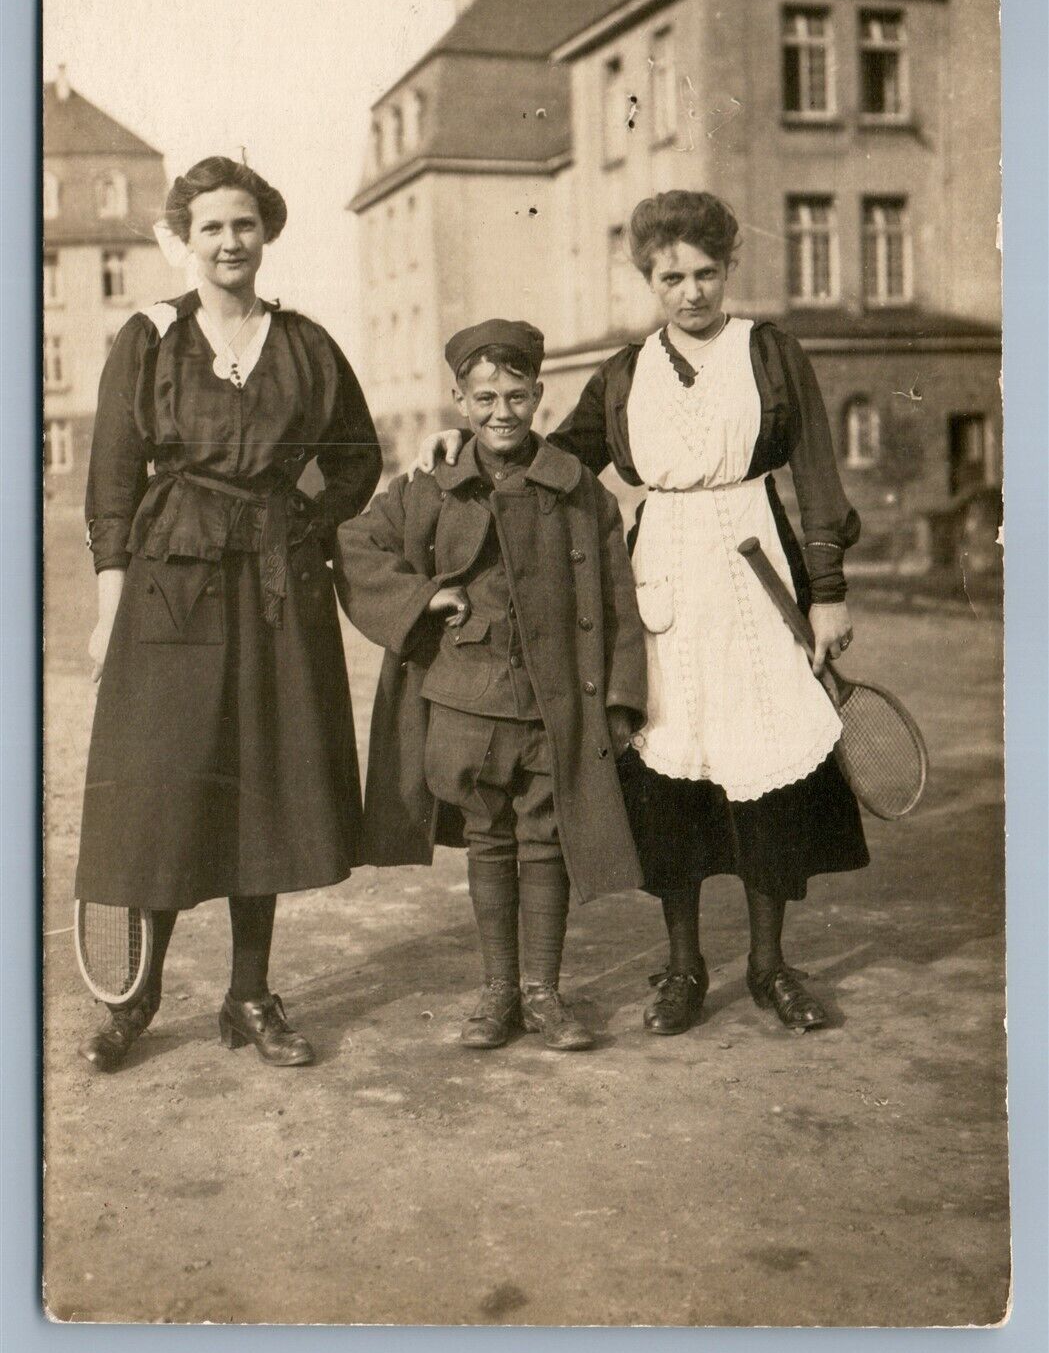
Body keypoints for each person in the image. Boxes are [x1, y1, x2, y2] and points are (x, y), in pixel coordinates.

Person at [416, 192, 869, 1037]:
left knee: (766, 766)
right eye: (671, 278)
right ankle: (683, 966)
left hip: (756, 571)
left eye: (703, 273)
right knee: (669, 776)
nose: (690, 292)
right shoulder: (624, 372)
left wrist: (829, 589)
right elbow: (556, 459)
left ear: (727, 269)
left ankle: (769, 965)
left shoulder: (768, 352)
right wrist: (462, 449)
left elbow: (815, 477)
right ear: (648, 280)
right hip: (660, 582)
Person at [76, 156, 382, 1072]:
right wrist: (107, 606)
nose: (229, 242)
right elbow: (112, 480)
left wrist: (305, 518)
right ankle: (140, 993)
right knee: (168, 784)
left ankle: (249, 994)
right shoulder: (150, 338)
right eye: (210, 227)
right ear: (185, 237)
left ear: (267, 232)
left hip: (277, 585)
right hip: (172, 583)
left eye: (244, 224)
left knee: (267, 780)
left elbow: (357, 458)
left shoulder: (306, 344)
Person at [337, 319, 646, 1051]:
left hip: (554, 702)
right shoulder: (433, 485)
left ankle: (542, 994)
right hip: (464, 701)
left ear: (539, 395)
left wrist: (621, 698)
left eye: (515, 396)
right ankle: (496, 995)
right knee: (488, 838)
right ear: (458, 400)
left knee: (546, 841)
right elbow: (354, 544)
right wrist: (423, 599)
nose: (500, 412)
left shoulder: (579, 493)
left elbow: (617, 599)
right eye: (483, 398)